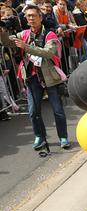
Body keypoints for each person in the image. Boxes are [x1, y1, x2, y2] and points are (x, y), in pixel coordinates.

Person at [1, 4, 69, 149]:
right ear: (25, 19)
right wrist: (3, 31)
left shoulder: (50, 34)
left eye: (33, 15)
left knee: (57, 110)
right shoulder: (23, 34)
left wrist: (26, 47)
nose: (31, 18)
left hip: (50, 77)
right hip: (32, 79)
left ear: (40, 17)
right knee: (33, 112)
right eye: (28, 16)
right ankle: (40, 136)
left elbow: (49, 52)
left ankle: (63, 137)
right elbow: (6, 42)